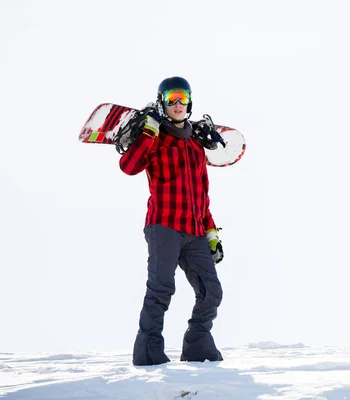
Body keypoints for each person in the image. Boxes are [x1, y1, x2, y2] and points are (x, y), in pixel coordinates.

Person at [119, 76, 225, 366]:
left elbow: (202, 194)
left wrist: (212, 231)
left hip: (195, 230)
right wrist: (148, 133)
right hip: (163, 225)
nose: (177, 104)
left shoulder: (195, 146)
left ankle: (198, 347)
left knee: (211, 291)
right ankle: (148, 354)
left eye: (182, 97)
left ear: (189, 101)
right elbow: (128, 167)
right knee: (161, 289)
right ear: (161, 102)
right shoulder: (155, 137)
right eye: (170, 98)